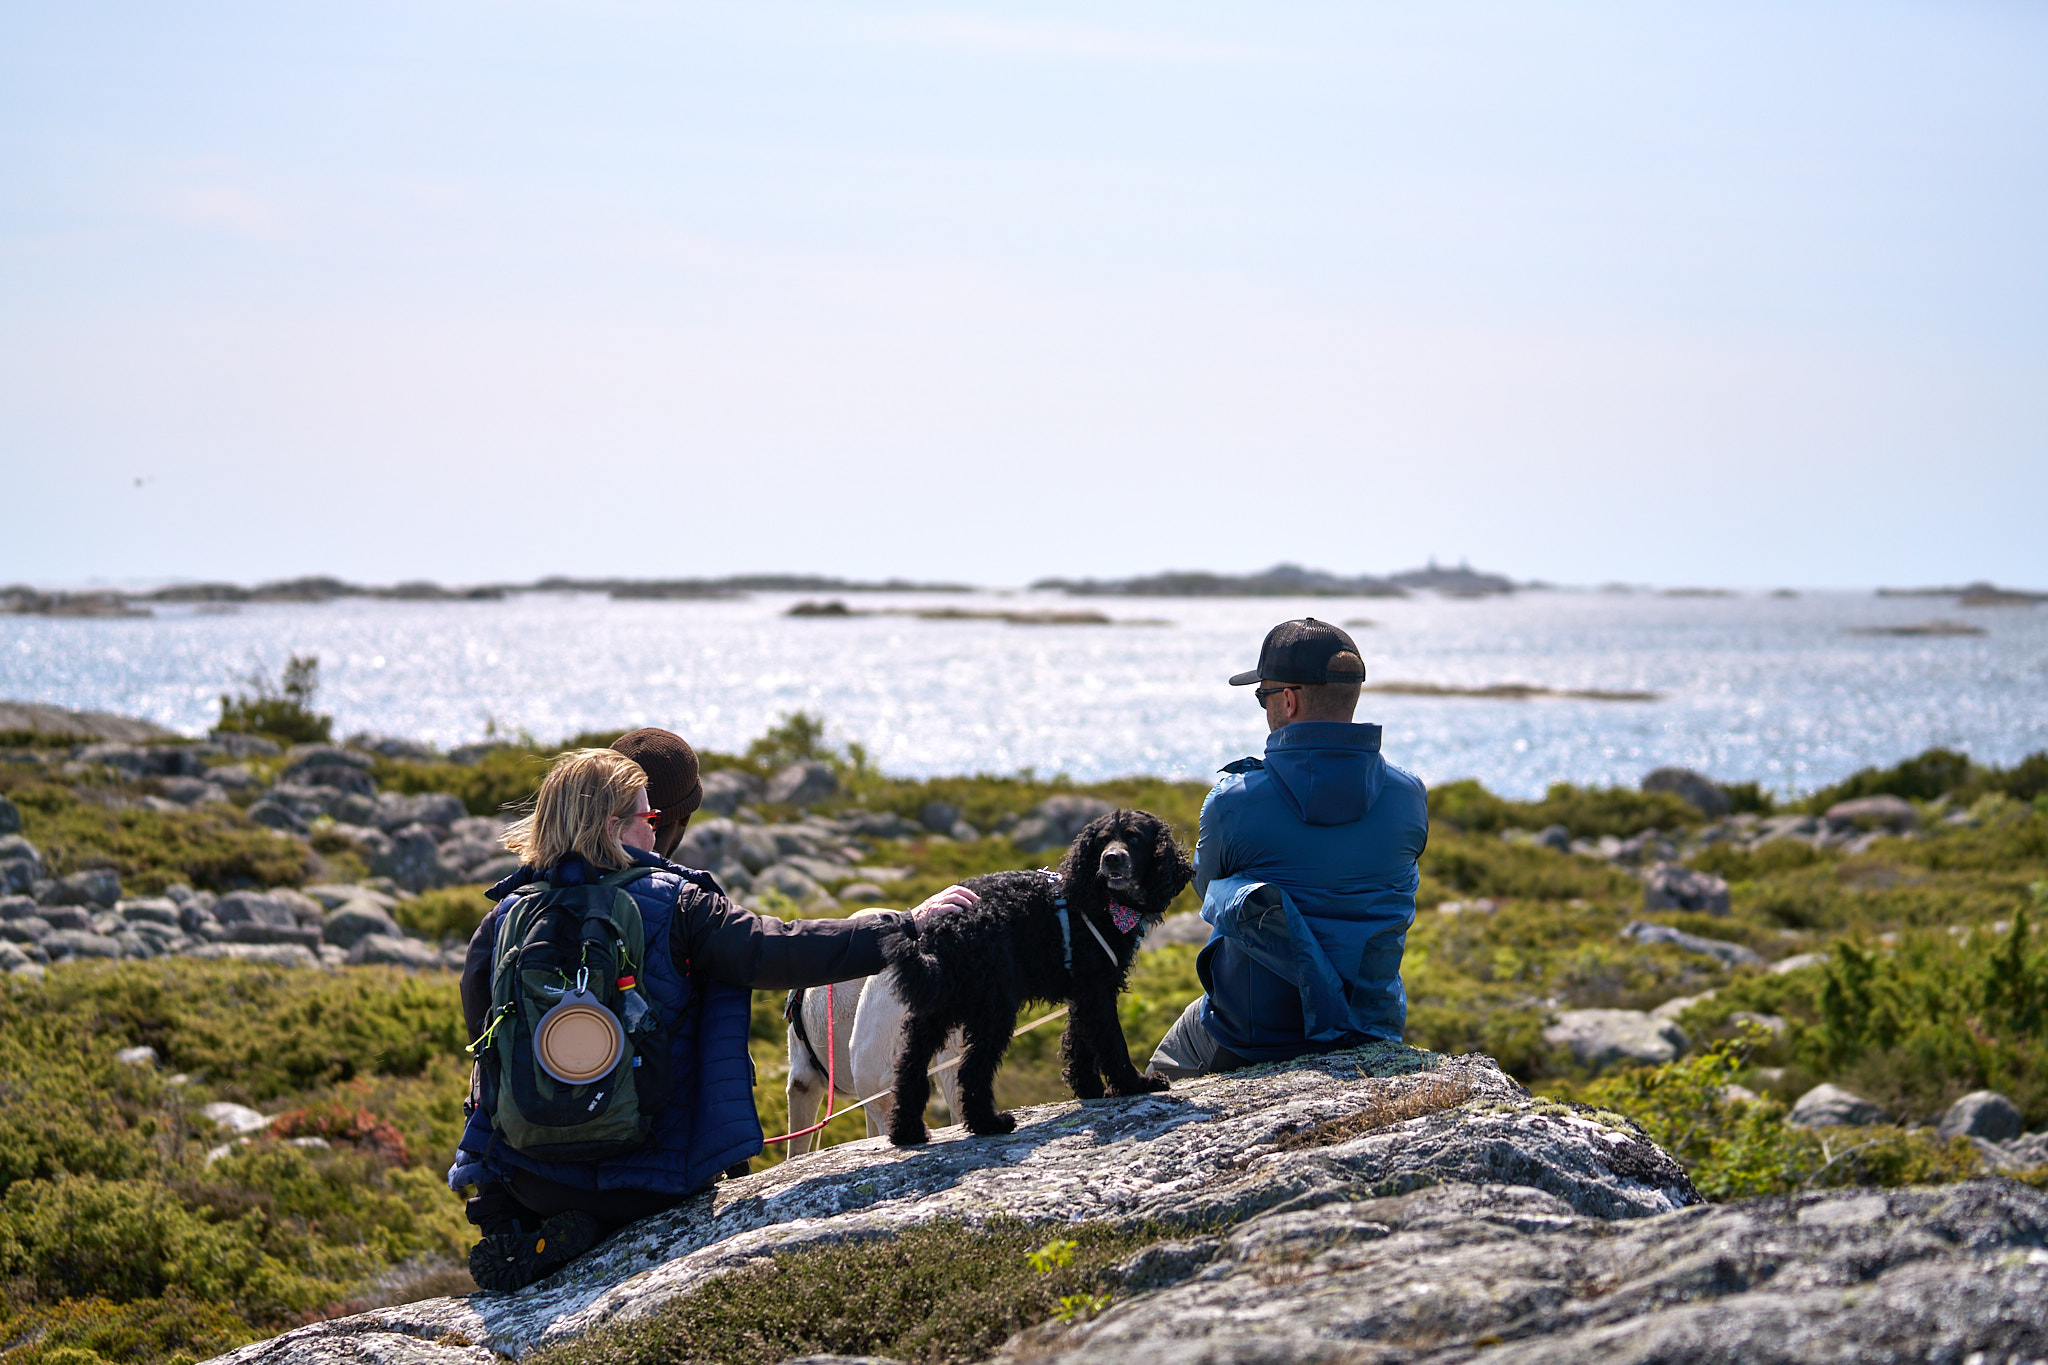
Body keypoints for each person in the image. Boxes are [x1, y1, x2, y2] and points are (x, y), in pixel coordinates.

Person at [449, 739, 972, 1291]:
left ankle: (526, 1228)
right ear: (610, 826)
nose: (656, 830)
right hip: (657, 1180)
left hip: (536, 1181)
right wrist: (904, 925)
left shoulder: (503, 920)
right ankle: (604, 1221)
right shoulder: (681, 904)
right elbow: (783, 948)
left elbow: (490, 1056)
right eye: (646, 816)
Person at [1147, 618, 1429, 1078]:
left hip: (1257, 1034)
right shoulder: (1409, 795)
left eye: (1262, 697)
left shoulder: (1233, 801)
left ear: (1289, 701)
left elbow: (1207, 886)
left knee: (1169, 1065)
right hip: (1372, 1027)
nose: (1263, 709)